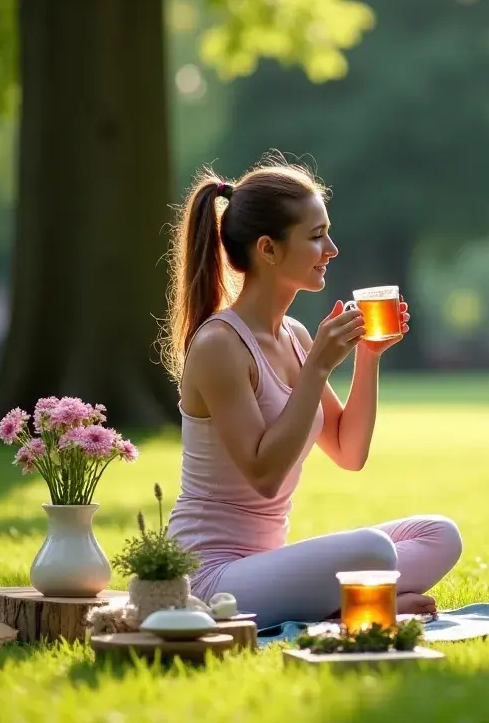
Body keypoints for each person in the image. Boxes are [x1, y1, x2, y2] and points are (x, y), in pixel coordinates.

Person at [164, 157, 461, 625]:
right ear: (268, 249)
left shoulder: (297, 336)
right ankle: (362, 603)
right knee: (373, 551)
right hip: (207, 581)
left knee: (440, 534)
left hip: (262, 570)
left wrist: (368, 357)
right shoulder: (220, 345)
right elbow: (264, 474)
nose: (333, 249)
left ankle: (354, 601)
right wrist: (318, 368)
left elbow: (349, 451)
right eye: (317, 235)